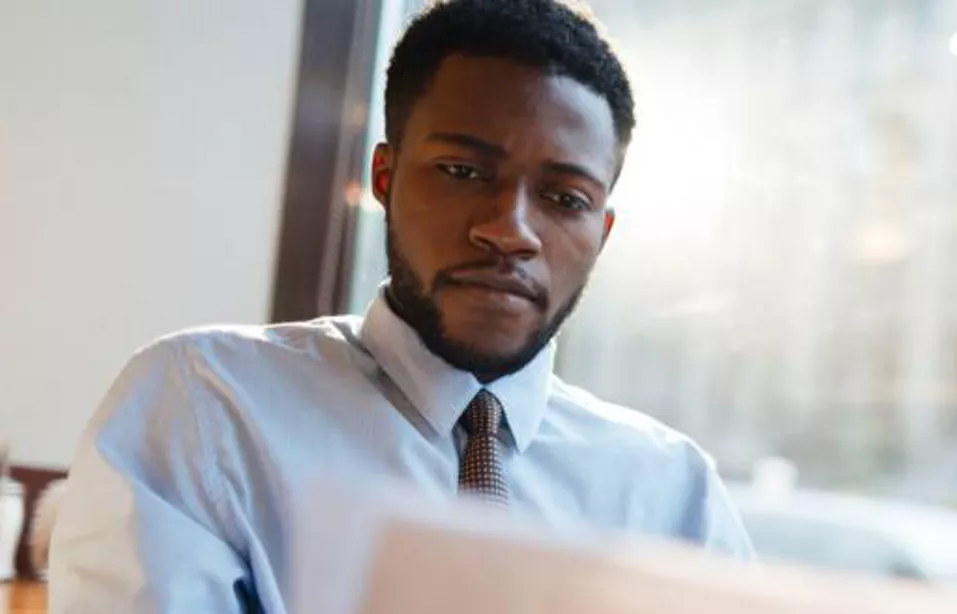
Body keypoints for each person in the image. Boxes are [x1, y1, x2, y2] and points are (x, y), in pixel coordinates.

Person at [49, 1, 754, 611]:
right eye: (462, 171)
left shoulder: (673, 496)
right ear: (385, 178)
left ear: (600, 234)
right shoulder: (205, 408)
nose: (510, 230)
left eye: (565, 199)